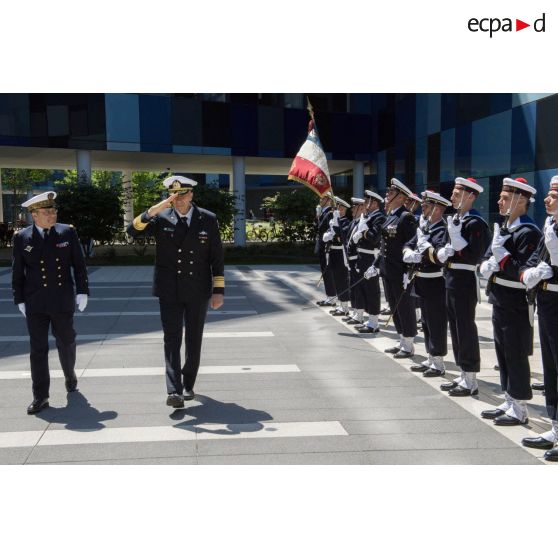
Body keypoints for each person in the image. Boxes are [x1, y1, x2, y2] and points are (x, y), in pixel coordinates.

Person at [127, 175, 225, 409]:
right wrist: (152, 211)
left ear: (191, 195)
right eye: (173, 196)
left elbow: (216, 258)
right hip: (169, 288)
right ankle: (174, 390)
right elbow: (133, 231)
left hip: (197, 289)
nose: (178, 200)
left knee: (193, 339)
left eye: (182, 195)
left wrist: (218, 290)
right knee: (171, 338)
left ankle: (188, 382)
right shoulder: (161, 217)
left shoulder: (208, 219)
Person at [11, 191, 89, 414]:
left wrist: (83, 291)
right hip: (35, 302)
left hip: (62, 299)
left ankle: (69, 374)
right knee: (38, 349)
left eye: (54, 211)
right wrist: (19, 299)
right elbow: (18, 272)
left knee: (66, 341)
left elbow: (79, 264)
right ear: (33, 215)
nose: (52, 215)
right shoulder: (22, 237)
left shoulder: (67, 232)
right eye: (46, 212)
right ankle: (41, 396)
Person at [478, 177, 540, 425]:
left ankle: (521, 406)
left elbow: (523, 271)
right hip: (499, 298)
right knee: (502, 352)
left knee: (515, 352)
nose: (499, 201)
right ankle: (509, 397)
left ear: (520, 200)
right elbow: (486, 257)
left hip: (516, 301)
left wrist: (501, 259)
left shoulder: (528, 232)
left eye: (505, 198)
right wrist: (488, 264)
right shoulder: (505, 227)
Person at [437, 177, 490, 396]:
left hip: (464, 281)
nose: (452, 197)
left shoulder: (475, 223)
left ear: (470, 196)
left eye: (457, 194)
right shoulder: (457, 219)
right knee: (456, 329)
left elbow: (473, 256)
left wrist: (458, 241)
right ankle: (462, 373)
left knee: (465, 328)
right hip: (451, 279)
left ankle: (471, 378)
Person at [520, 177, 558, 457]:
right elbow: (535, 259)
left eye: (554, 194)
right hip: (547, 301)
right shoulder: (550, 226)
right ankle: (556, 426)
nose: (547, 199)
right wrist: (527, 274)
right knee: (551, 369)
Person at [367, 178, 418, 358]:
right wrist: (375, 265)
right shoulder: (391, 216)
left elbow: (413, 244)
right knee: (394, 306)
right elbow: (384, 245)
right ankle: (402, 339)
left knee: (404, 307)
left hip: (400, 272)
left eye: (390, 192)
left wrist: (409, 271)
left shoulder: (406, 217)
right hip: (387, 270)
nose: (387, 194)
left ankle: (409, 343)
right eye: (388, 191)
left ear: (400, 196)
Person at [403, 190, 451, 376]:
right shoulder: (426, 228)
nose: (422, 206)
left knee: (436, 322)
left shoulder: (442, 229)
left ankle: (438, 362)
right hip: (422, 280)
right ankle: (431, 357)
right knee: (426, 321)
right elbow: (410, 242)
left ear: (438, 209)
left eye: (427, 205)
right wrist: (408, 252)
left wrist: (424, 251)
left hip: (435, 282)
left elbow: (438, 256)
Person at [352, 190, 385, 333]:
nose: (365, 204)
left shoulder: (379, 218)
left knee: (372, 290)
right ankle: (369, 320)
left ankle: (374, 323)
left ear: (374, 203)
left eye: (367, 202)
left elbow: (374, 238)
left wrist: (364, 231)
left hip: (371, 257)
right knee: (365, 289)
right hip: (363, 256)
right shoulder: (368, 217)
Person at [322, 197, 352, 316]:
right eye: (337, 207)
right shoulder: (336, 221)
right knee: (336, 279)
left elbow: (339, 236)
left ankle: (345, 307)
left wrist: (334, 233)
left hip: (341, 254)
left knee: (342, 280)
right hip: (333, 252)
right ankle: (341, 305)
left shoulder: (345, 222)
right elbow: (330, 235)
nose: (337, 209)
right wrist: (330, 235)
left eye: (339, 207)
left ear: (344, 209)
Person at [315, 194, 337, 306]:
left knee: (327, 272)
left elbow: (329, 230)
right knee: (325, 271)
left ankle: (332, 297)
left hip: (325, 247)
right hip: (321, 246)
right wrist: (318, 217)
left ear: (329, 200)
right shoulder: (323, 213)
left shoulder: (329, 213)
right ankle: (329, 296)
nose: (320, 200)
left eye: (323, 198)